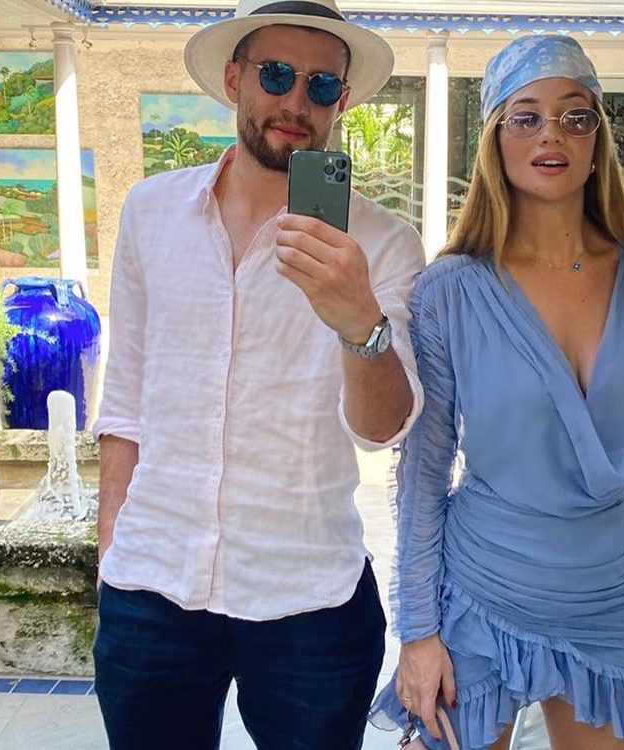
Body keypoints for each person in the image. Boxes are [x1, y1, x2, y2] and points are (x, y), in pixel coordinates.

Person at [90, 1, 425, 748]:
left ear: (343, 100)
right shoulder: (151, 212)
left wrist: (358, 322)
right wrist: (113, 550)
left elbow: (383, 431)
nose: (296, 102)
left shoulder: (381, 243)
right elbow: (126, 398)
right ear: (234, 80)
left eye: (321, 85)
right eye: (276, 75)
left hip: (308, 593)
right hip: (153, 581)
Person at [370, 36, 624, 750]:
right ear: (495, 137)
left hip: (605, 591)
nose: (552, 134)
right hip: (482, 587)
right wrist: (417, 632)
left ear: (598, 136)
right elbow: (424, 469)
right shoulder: (452, 289)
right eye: (526, 117)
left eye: (576, 116)